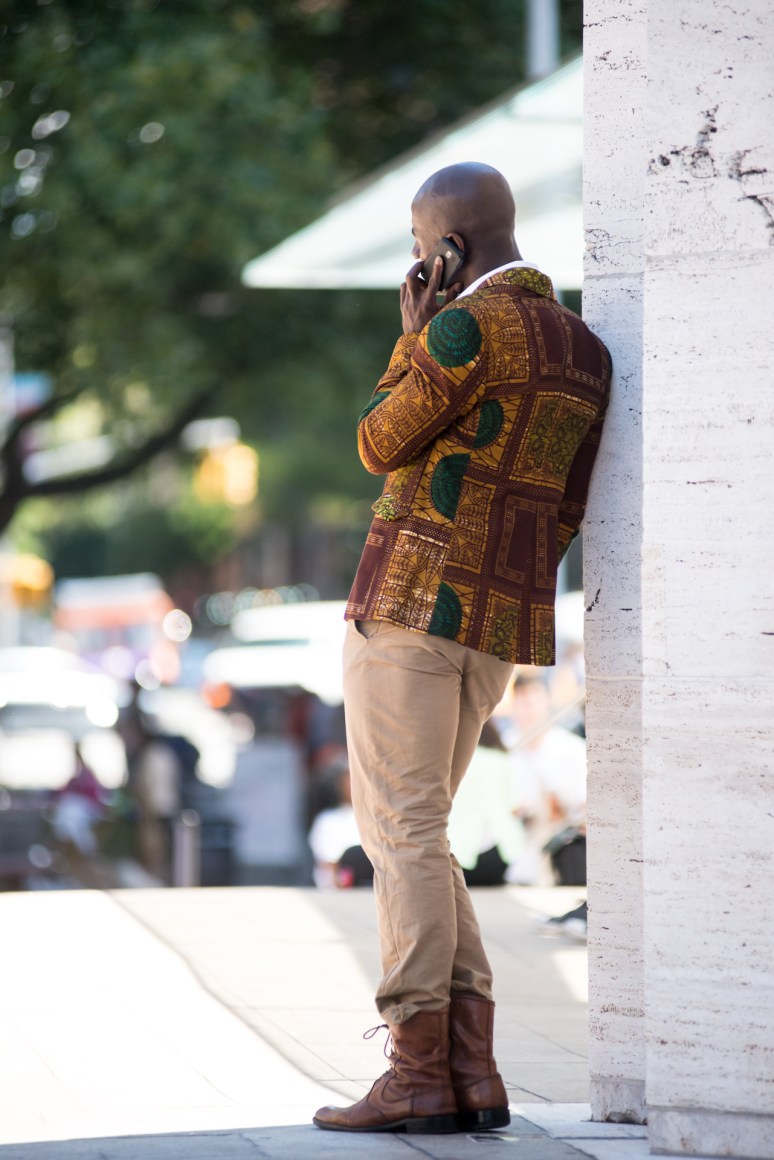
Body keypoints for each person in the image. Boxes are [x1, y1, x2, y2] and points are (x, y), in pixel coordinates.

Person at [313, 161, 611, 1135]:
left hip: (408, 608)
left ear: (447, 248)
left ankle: (414, 1070)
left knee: (398, 834)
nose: (414, 264)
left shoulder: (460, 326)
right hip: (496, 627)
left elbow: (376, 439)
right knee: (425, 833)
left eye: (416, 247)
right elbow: (567, 506)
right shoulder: (581, 349)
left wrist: (408, 343)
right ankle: (473, 1070)